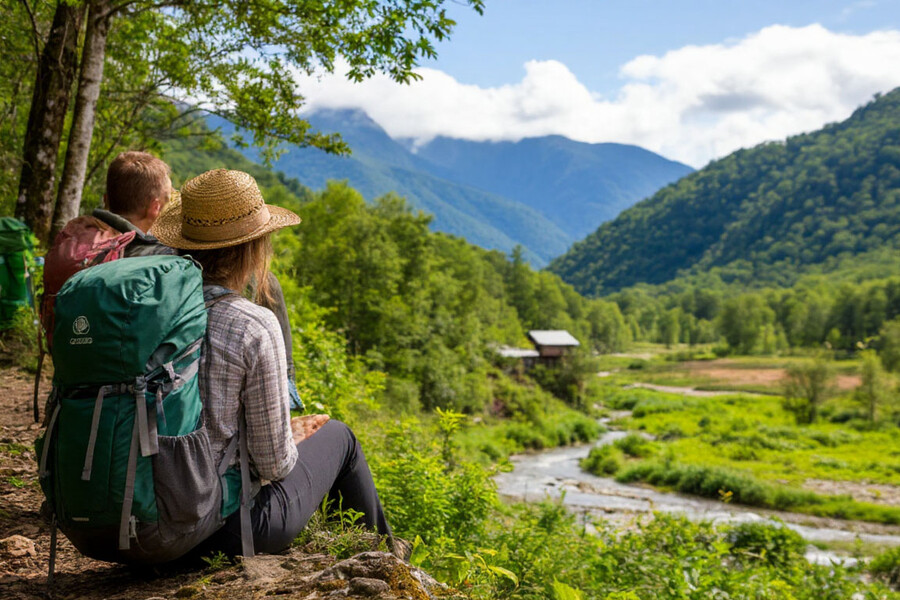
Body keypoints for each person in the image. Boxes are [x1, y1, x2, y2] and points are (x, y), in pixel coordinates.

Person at [152, 169, 392, 556]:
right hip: (218, 529)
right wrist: (290, 435)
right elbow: (275, 465)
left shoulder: (150, 315)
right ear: (253, 247)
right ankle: (382, 559)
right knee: (340, 438)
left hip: (139, 518)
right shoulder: (252, 323)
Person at [94, 152, 303, 409]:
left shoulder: (100, 260)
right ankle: (289, 392)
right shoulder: (256, 307)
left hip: (117, 411)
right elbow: (271, 448)